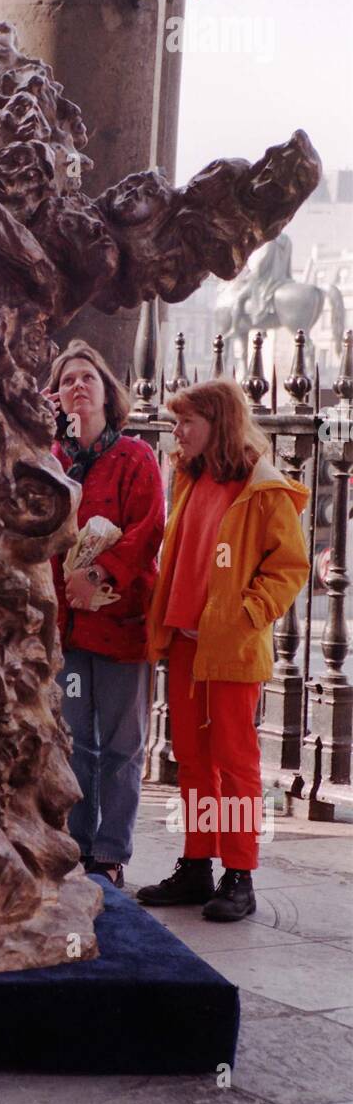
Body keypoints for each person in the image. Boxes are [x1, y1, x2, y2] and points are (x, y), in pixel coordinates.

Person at [139, 379, 309, 920]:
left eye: (187, 422)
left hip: (231, 650)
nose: (177, 432)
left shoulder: (263, 486)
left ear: (219, 423)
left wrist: (246, 615)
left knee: (235, 763)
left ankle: (240, 875)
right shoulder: (189, 476)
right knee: (190, 760)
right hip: (187, 647)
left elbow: (289, 569)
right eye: (174, 422)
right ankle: (196, 865)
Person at [47, 339, 165, 887]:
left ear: (106, 393)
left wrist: (99, 572)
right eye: (67, 379)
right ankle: (77, 844)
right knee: (73, 741)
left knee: (121, 745)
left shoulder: (135, 457)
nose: (77, 387)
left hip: (121, 624)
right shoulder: (51, 460)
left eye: (87, 379)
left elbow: (147, 531)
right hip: (68, 629)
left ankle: (112, 853)